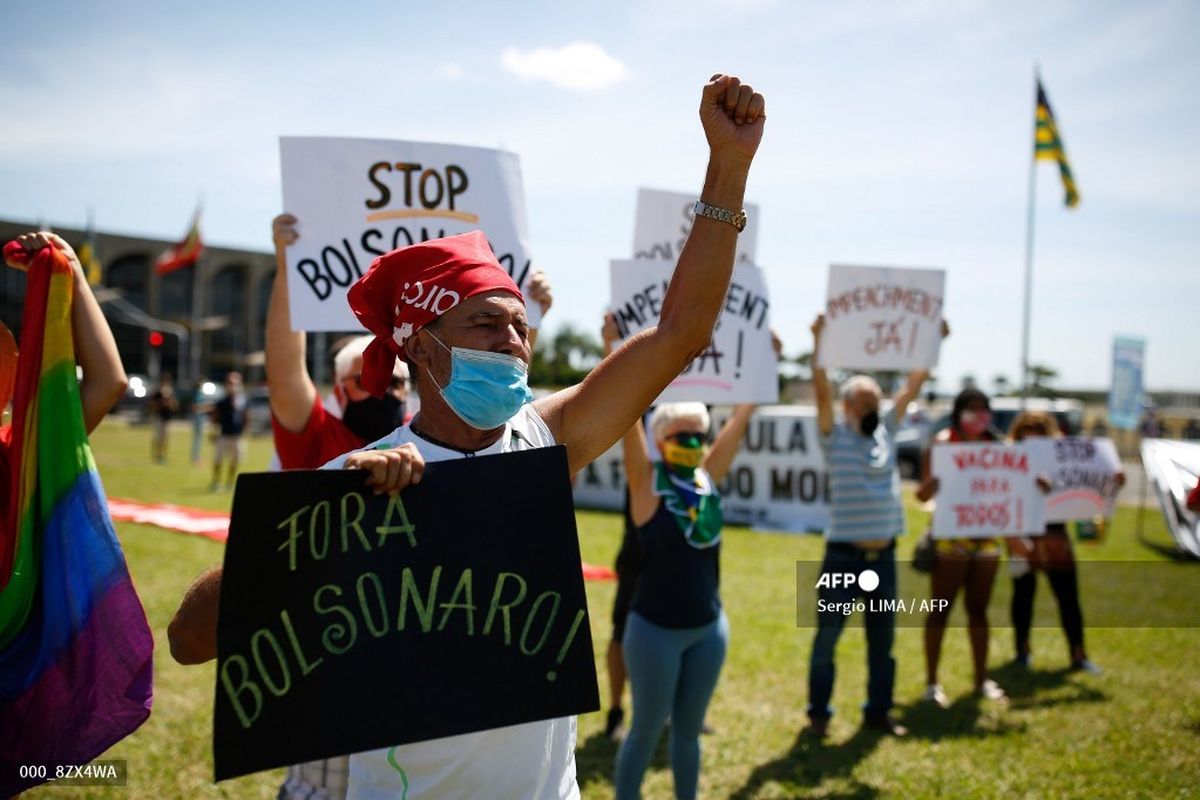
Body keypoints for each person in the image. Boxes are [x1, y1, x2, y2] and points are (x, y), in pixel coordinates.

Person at [171, 72, 765, 800]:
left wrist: (728, 168)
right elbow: (189, 640)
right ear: (422, 348)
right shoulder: (366, 479)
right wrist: (328, 521)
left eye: (519, 326)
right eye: (485, 323)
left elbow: (681, 334)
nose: (513, 342)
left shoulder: (544, 443)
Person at [610, 396, 754, 800]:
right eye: (681, 435)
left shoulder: (706, 479)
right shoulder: (646, 484)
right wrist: (611, 345)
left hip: (709, 631)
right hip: (654, 633)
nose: (693, 442)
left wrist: (750, 394)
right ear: (659, 439)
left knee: (688, 734)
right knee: (645, 731)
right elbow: (626, 416)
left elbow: (739, 422)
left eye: (699, 435)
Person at [805, 313, 941, 738]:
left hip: (883, 559)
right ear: (847, 407)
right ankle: (819, 715)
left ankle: (878, 712)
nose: (873, 408)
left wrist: (932, 338)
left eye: (876, 401)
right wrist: (819, 343)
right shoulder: (833, 435)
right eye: (864, 402)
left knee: (883, 646)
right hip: (843, 558)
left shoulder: (886, 430)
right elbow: (821, 392)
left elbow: (913, 385)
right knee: (827, 642)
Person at [1, 231, 128, 521]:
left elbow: (109, 383)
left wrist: (71, 275)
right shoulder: (19, 456)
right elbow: (107, 384)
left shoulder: (17, 456)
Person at [916, 387, 1007, 706]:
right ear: (958, 411)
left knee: (978, 611)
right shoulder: (943, 445)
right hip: (951, 541)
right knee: (939, 610)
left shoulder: (996, 447)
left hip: (987, 540)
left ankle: (981, 679)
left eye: (984, 408)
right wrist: (933, 484)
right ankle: (931, 682)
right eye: (972, 408)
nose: (978, 415)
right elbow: (923, 495)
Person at [1006, 410, 1114, 675]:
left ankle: (1078, 653)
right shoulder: (1008, 462)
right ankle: (1022, 650)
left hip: (1055, 534)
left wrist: (1112, 483)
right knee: (1023, 596)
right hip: (1023, 535)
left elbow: (1081, 490)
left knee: (1068, 598)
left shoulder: (1061, 460)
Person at [210, 371, 247, 491]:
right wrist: (213, 432)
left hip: (236, 435)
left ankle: (230, 483)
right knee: (218, 459)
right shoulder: (221, 401)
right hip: (223, 435)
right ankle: (216, 482)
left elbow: (246, 416)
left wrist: (244, 430)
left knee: (236, 460)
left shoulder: (242, 400)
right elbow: (215, 418)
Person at [147, 373, 178, 463]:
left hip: (166, 418)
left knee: (165, 438)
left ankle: (162, 456)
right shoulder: (158, 392)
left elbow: (174, 405)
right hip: (159, 417)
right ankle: (155, 455)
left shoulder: (170, 392)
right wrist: (160, 403)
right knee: (157, 437)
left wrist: (170, 403)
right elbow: (152, 404)